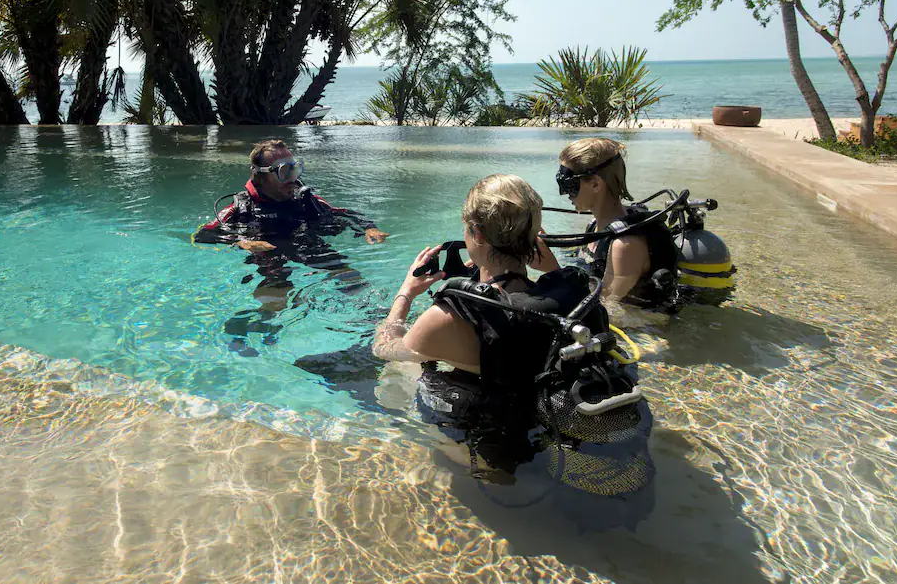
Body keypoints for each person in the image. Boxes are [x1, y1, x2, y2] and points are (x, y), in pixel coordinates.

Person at [372, 175, 652, 509]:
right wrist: (539, 261)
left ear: (476, 234)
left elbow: (384, 347)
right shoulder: (576, 296)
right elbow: (550, 282)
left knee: (401, 371)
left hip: (506, 461)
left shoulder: (452, 317)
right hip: (559, 435)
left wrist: (406, 292)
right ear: (536, 234)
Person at [193, 139, 387, 349]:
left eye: (295, 169)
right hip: (268, 250)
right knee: (276, 297)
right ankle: (256, 325)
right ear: (261, 176)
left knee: (348, 275)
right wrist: (242, 242)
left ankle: (376, 317)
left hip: (305, 243)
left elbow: (342, 213)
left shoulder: (304, 200)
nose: (292, 178)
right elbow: (202, 235)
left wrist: (369, 227)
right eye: (284, 171)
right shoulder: (241, 207)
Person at [555, 138, 678, 308]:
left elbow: (606, 308)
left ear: (596, 184)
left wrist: (552, 270)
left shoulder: (625, 245)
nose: (564, 193)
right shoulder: (596, 226)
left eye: (570, 184)